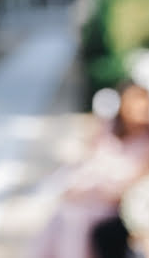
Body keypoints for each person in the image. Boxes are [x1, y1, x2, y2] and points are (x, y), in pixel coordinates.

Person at [32, 83, 149, 258]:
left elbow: (135, 185)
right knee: (62, 213)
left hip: (113, 204)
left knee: (78, 219)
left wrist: (94, 192)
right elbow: (88, 161)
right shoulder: (108, 128)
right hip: (88, 192)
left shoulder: (146, 143)